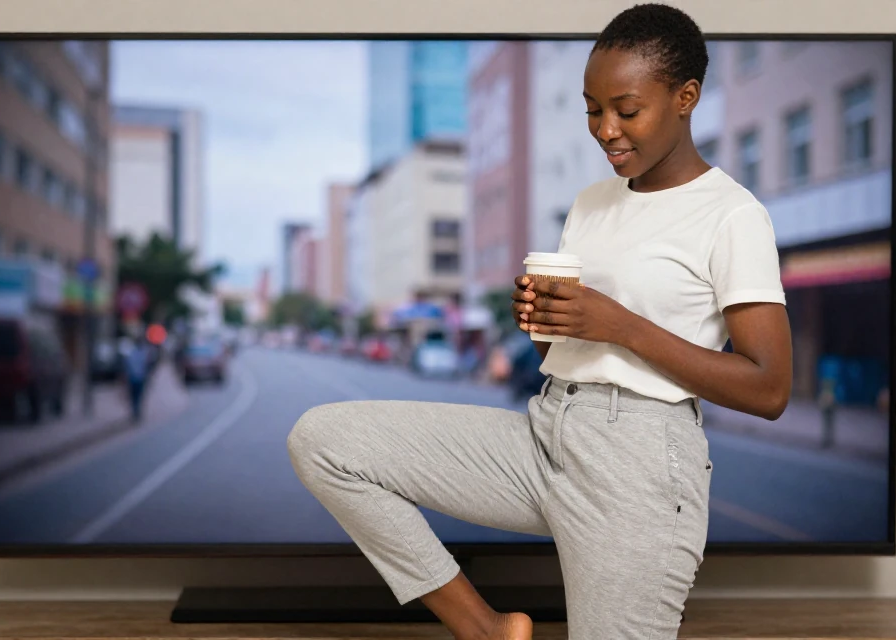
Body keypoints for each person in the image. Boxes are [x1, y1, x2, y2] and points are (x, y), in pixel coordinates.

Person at [286, 4, 792, 639]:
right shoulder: (591, 201)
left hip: (638, 465)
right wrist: (542, 318)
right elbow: (582, 334)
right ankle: (484, 628)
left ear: (685, 97)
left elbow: (769, 387)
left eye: (626, 110)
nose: (605, 129)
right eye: (591, 109)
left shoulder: (732, 216)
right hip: (546, 429)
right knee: (325, 442)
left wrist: (619, 324)